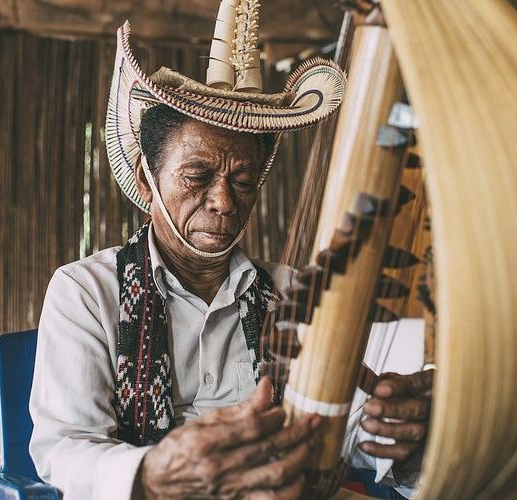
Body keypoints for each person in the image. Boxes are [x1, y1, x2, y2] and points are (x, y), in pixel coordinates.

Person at [30, 9, 432, 500]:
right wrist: (155, 473)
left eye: (242, 182)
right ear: (145, 178)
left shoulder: (295, 295)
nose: (224, 202)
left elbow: (342, 433)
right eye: (198, 177)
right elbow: (64, 450)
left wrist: (403, 438)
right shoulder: (88, 292)